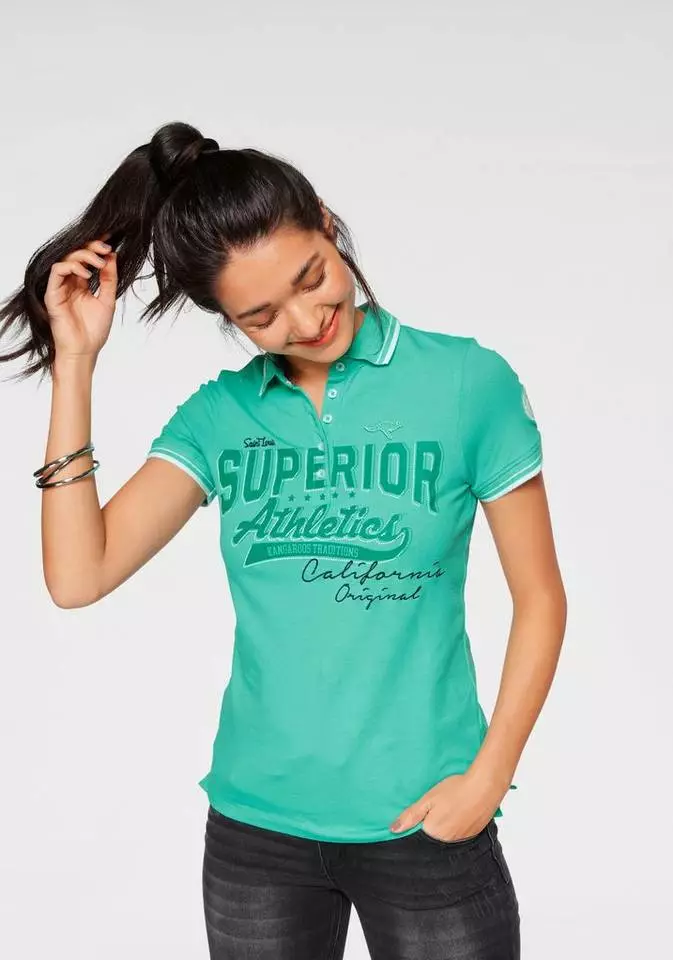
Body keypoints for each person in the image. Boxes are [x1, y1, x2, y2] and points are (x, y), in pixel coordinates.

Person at [0, 121, 567, 959]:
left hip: (427, 819)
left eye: (313, 278)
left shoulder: (464, 382)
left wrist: (487, 778)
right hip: (256, 836)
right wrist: (76, 363)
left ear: (327, 226)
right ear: (225, 317)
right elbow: (78, 576)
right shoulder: (222, 416)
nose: (307, 321)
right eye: (261, 315)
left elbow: (540, 598)